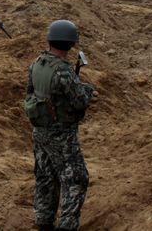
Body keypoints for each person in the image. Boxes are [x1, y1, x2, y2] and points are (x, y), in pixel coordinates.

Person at [25, 20, 94, 231]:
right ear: (71, 44)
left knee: (46, 175)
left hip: (40, 129)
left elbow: (32, 92)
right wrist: (87, 91)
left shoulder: (37, 64)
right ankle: (67, 225)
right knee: (76, 178)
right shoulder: (64, 71)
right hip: (61, 133)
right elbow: (79, 101)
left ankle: (44, 220)